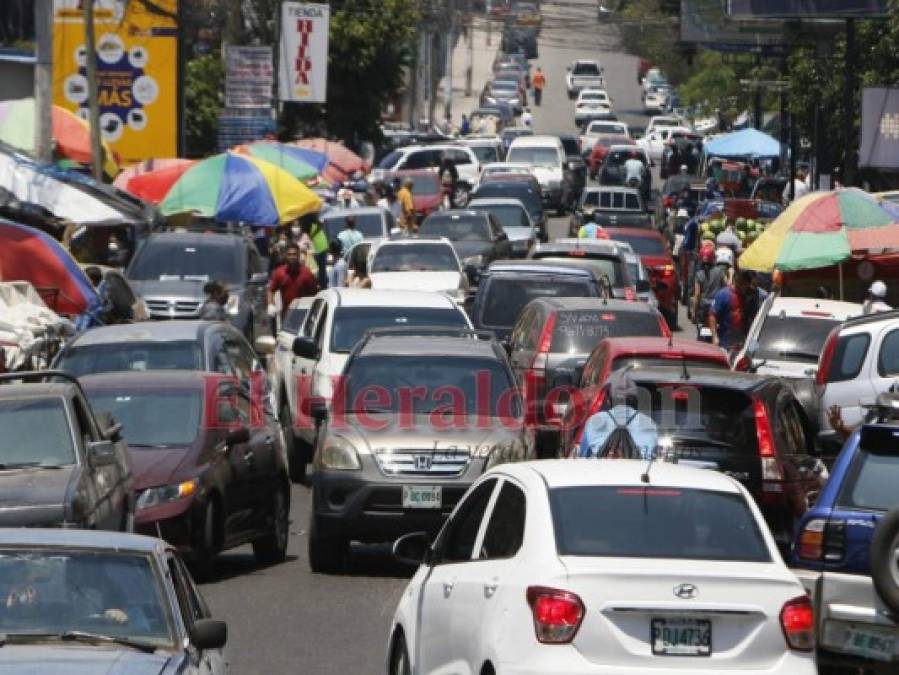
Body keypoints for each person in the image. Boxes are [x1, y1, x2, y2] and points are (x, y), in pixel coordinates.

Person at [578, 370, 658, 459]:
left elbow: (583, 456)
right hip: (637, 472)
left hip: (600, 471)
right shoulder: (648, 423)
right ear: (635, 400)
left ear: (609, 400)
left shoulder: (594, 421)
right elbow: (651, 459)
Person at [267, 242, 318, 321]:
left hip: (304, 316)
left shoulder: (306, 273)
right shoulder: (280, 273)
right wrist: (270, 304)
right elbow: (270, 290)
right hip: (286, 315)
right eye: (289, 254)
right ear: (286, 256)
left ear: (298, 256)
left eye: (294, 254)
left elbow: (314, 294)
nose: (292, 257)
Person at [709, 267, 751, 351]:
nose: (744, 287)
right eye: (742, 284)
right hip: (725, 342)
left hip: (742, 342)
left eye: (746, 285)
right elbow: (712, 315)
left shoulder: (748, 296)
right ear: (737, 282)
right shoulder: (723, 294)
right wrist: (714, 336)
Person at [696, 245, 733, 337]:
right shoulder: (720, 272)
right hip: (717, 306)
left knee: (701, 327)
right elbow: (728, 286)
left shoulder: (698, 274)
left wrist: (694, 312)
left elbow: (697, 295)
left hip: (703, 308)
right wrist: (731, 274)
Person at [302, 215, 330, 290]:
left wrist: (311, 236)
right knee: (321, 269)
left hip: (318, 247)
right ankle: (322, 286)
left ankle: (319, 286)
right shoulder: (314, 220)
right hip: (321, 245)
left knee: (317, 269)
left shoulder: (307, 222)